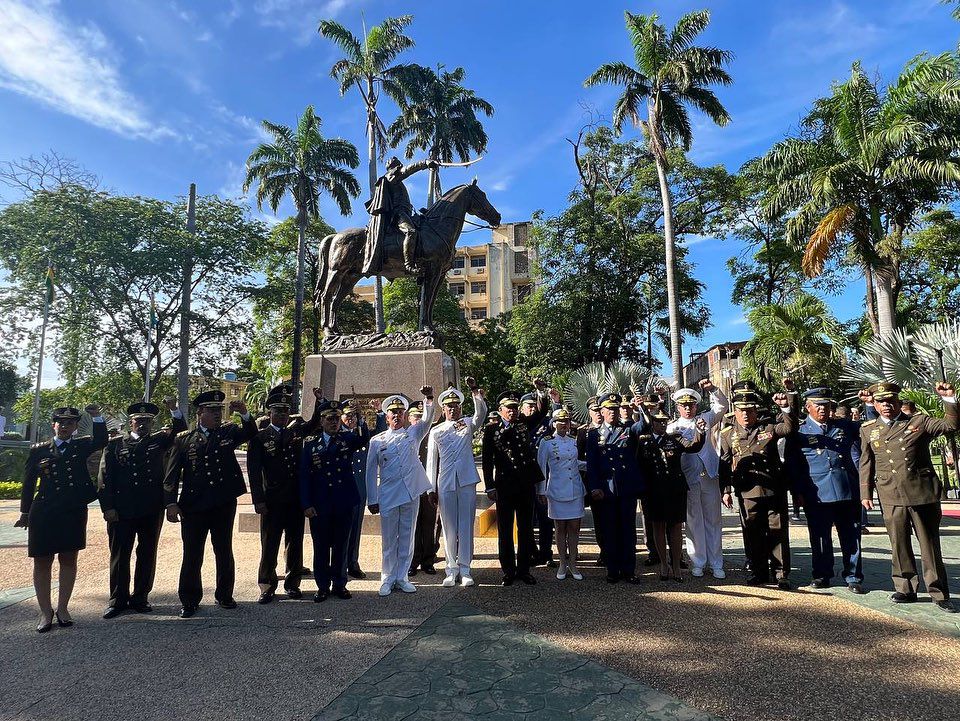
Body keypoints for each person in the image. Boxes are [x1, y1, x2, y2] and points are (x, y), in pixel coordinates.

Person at [859, 381, 958, 613]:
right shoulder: (868, 429)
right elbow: (866, 462)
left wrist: (949, 399)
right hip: (890, 493)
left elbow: (951, 425)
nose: (887, 406)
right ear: (874, 404)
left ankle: (938, 592)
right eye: (881, 402)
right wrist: (865, 492)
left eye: (891, 401)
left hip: (921, 492)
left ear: (898, 402)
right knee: (899, 545)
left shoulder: (918, 422)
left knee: (930, 546)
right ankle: (905, 587)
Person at [163, 391, 256, 618]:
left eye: (219, 410)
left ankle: (224, 595)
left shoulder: (227, 432)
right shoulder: (184, 439)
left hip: (222, 503)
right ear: (200, 413)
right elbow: (171, 475)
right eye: (212, 411)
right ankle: (189, 599)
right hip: (194, 506)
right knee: (192, 553)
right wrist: (170, 503)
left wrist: (244, 413)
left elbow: (250, 432)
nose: (216, 414)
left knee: (223, 549)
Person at [16, 405, 106, 632]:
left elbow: (101, 440)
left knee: (68, 558)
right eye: (61, 423)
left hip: (72, 509)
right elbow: (28, 484)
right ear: (53, 425)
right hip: (44, 510)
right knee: (42, 560)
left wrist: (97, 417)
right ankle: (45, 612)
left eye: (70, 423)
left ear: (75, 427)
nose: (65, 426)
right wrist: (25, 512)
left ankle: (63, 608)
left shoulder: (81, 445)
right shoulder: (39, 450)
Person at [98, 398, 186, 618]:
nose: (143, 424)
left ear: (152, 423)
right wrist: (107, 507)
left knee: (147, 553)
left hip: (150, 508)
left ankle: (140, 597)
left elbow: (181, 432)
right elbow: (104, 478)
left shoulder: (160, 441)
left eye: (147, 420)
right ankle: (117, 599)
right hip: (121, 510)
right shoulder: (115, 444)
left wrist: (174, 410)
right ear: (131, 423)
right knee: (120, 555)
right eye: (138, 420)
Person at [719, 382, 798, 589]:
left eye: (750, 410)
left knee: (777, 530)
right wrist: (725, 490)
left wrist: (786, 405)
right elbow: (725, 463)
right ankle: (757, 571)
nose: (746, 415)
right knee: (752, 532)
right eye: (741, 411)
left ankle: (781, 573)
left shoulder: (768, 427)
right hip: (747, 490)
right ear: (735, 412)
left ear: (756, 411)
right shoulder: (728, 433)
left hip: (773, 488)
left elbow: (789, 428)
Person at [247, 387, 322, 604]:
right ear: (270, 413)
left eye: (285, 412)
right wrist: (258, 500)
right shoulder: (260, 438)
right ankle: (267, 585)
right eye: (277, 412)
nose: (282, 416)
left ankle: (293, 583)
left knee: (294, 542)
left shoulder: (295, 434)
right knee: (269, 544)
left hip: (294, 499)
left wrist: (319, 402)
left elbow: (313, 424)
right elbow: (254, 472)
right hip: (271, 501)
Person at [787, 388, 865, 593]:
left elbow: (869, 428)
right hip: (817, 493)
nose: (823, 409)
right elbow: (794, 466)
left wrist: (870, 405)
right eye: (818, 405)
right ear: (808, 407)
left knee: (851, 536)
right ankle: (821, 574)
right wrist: (798, 493)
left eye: (827, 405)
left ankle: (853, 576)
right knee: (820, 537)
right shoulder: (799, 431)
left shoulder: (844, 426)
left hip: (845, 489)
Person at [365, 388, 435, 596]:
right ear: (386, 417)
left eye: (401, 412)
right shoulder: (377, 441)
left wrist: (429, 399)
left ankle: (402, 577)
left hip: (410, 492)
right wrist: (372, 499)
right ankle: (387, 578)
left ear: (405, 415)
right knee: (389, 539)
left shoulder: (413, 433)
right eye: (393, 413)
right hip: (388, 493)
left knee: (407, 536)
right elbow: (370, 472)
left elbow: (427, 420)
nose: (397, 416)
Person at [301, 398, 370, 601]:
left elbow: (363, 439)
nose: (334, 422)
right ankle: (322, 586)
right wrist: (306, 504)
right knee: (321, 547)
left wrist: (360, 419)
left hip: (343, 502)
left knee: (341, 545)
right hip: (320, 505)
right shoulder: (311, 445)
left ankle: (340, 584)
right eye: (329, 419)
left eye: (337, 418)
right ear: (321, 421)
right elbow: (304, 476)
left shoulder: (346, 439)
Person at [426, 380, 487, 587]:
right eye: (449, 406)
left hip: (467, 481)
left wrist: (474, 393)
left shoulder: (468, 423)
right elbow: (432, 461)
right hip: (445, 482)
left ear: (461, 407)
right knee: (448, 527)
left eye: (456, 406)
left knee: (466, 525)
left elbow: (481, 415)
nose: (452, 409)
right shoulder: (436, 431)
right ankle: (451, 569)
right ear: (443, 409)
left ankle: (465, 569)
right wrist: (430, 488)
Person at [667, 379, 728, 579]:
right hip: (688, 478)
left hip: (709, 475)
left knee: (713, 520)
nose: (688, 408)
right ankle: (698, 562)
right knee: (694, 522)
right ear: (677, 407)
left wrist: (712, 390)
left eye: (691, 405)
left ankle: (716, 563)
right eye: (684, 405)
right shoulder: (672, 427)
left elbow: (721, 406)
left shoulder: (705, 418)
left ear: (696, 405)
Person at [482, 391, 544, 586]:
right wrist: (490, 486)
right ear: (500, 411)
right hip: (504, 486)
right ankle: (508, 570)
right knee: (505, 529)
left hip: (525, 484)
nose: (513, 411)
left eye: (515, 408)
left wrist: (541, 393)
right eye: (509, 408)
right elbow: (486, 462)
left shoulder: (524, 424)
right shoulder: (492, 430)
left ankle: (524, 569)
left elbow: (541, 413)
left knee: (525, 529)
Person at [638, 407, 706, 582]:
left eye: (664, 421)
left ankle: (676, 564)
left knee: (676, 527)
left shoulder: (675, 438)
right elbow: (639, 465)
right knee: (658, 527)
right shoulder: (644, 441)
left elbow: (693, 446)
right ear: (652, 423)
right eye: (658, 421)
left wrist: (700, 431)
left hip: (675, 489)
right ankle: (663, 564)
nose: (662, 424)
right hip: (654, 490)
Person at [586, 392, 646, 584]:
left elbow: (644, 425)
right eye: (608, 409)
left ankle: (629, 570)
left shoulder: (628, 429)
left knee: (628, 531)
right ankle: (613, 569)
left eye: (615, 409)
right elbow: (591, 464)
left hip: (626, 487)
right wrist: (594, 487)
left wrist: (640, 408)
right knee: (610, 530)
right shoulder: (594, 435)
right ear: (601, 412)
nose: (612, 412)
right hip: (606, 489)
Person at [363, 156, 439, 275]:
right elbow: (408, 170)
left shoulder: (395, 180)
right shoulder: (390, 176)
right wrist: (425, 163)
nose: (401, 168)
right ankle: (409, 265)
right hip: (398, 214)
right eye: (399, 166)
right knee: (411, 232)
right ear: (395, 167)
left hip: (406, 212)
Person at [536, 408, 586, 580]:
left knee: (574, 528)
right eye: (561, 421)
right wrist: (541, 490)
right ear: (554, 423)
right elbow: (541, 467)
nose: (564, 424)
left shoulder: (574, 440)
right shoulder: (547, 442)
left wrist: (591, 465)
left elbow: (575, 462)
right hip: (556, 489)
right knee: (560, 528)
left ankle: (573, 563)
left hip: (575, 488)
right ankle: (562, 563)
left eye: (567, 421)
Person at [408, 401, 440, 577]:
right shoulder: (406, 436)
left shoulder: (432, 436)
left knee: (428, 524)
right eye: (415, 417)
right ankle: (413, 560)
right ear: (409, 418)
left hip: (428, 486)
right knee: (413, 525)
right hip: (412, 487)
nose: (418, 420)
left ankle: (428, 560)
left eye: (421, 417)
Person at [340, 402, 371, 579]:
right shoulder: (338, 436)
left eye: (354, 415)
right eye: (348, 415)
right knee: (341, 530)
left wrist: (363, 421)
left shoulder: (361, 434)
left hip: (359, 489)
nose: (351, 419)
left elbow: (372, 434)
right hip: (342, 489)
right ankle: (340, 564)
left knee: (356, 527)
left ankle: (353, 562)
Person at [576, 396, 605, 564]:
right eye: (595, 410)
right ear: (589, 412)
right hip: (592, 480)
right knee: (599, 519)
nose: (598, 413)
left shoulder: (613, 429)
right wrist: (592, 467)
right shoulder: (583, 431)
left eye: (600, 410)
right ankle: (604, 551)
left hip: (610, 479)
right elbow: (578, 458)